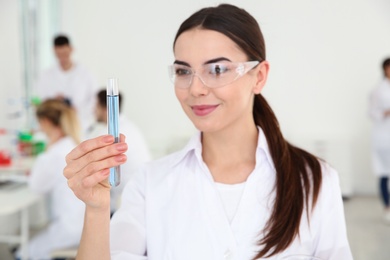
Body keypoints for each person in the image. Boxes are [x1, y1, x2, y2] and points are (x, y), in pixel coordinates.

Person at [63, 4, 352, 259]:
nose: (196, 89)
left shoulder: (315, 180)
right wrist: (97, 210)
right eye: (183, 71)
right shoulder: (151, 184)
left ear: (259, 76)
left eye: (217, 70)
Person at [19, 99, 85, 259]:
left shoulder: (54, 153)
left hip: (69, 228)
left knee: (24, 253)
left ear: (46, 122)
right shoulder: (72, 144)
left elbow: (36, 186)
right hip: (84, 224)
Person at [87, 89, 152, 214]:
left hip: (129, 202)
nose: (93, 111)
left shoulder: (108, 135)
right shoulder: (130, 126)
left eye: (96, 106)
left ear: (105, 108)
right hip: (140, 197)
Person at [33, 34, 99, 133]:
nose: (62, 59)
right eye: (59, 55)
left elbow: (95, 100)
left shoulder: (86, 74)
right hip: (57, 129)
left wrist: (76, 110)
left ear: (71, 49)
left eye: (65, 54)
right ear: (54, 51)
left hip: (81, 127)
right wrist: (54, 102)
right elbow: (40, 102)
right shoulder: (46, 76)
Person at [369, 57, 390, 223]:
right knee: (384, 174)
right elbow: (371, 113)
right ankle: (387, 207)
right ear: (384, 70)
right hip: (383, 138)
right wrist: (385, 113)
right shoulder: (378, 90)